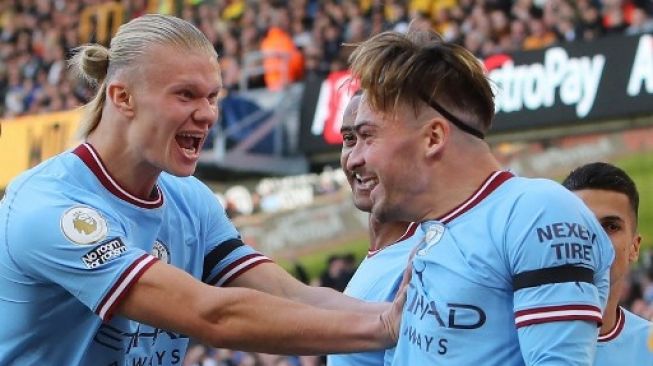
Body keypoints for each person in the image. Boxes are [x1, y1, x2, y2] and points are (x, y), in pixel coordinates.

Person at [0, 15, 405, 365]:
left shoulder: (188, 197)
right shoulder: (52, 207)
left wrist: (410, 318)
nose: (208, 113)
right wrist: (384, 325)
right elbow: (212, 317)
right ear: (122, 97)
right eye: (186, 95)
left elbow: (291, 295)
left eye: (212, 96)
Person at [346, 29, 614, 365]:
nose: (355, 159)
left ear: (433, 137)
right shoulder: (435, 233)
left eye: (368, 136)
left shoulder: (537, 212)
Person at [327, 92, 421, 366]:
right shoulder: (382, 257)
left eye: (371, 138)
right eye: (348, 140)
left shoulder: (424, 259)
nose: (355, 158)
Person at [562, 162, 653, 365]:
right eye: (580, 225)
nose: (595, 240)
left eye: (611, 226)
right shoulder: (511, 343)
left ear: (634, 247)